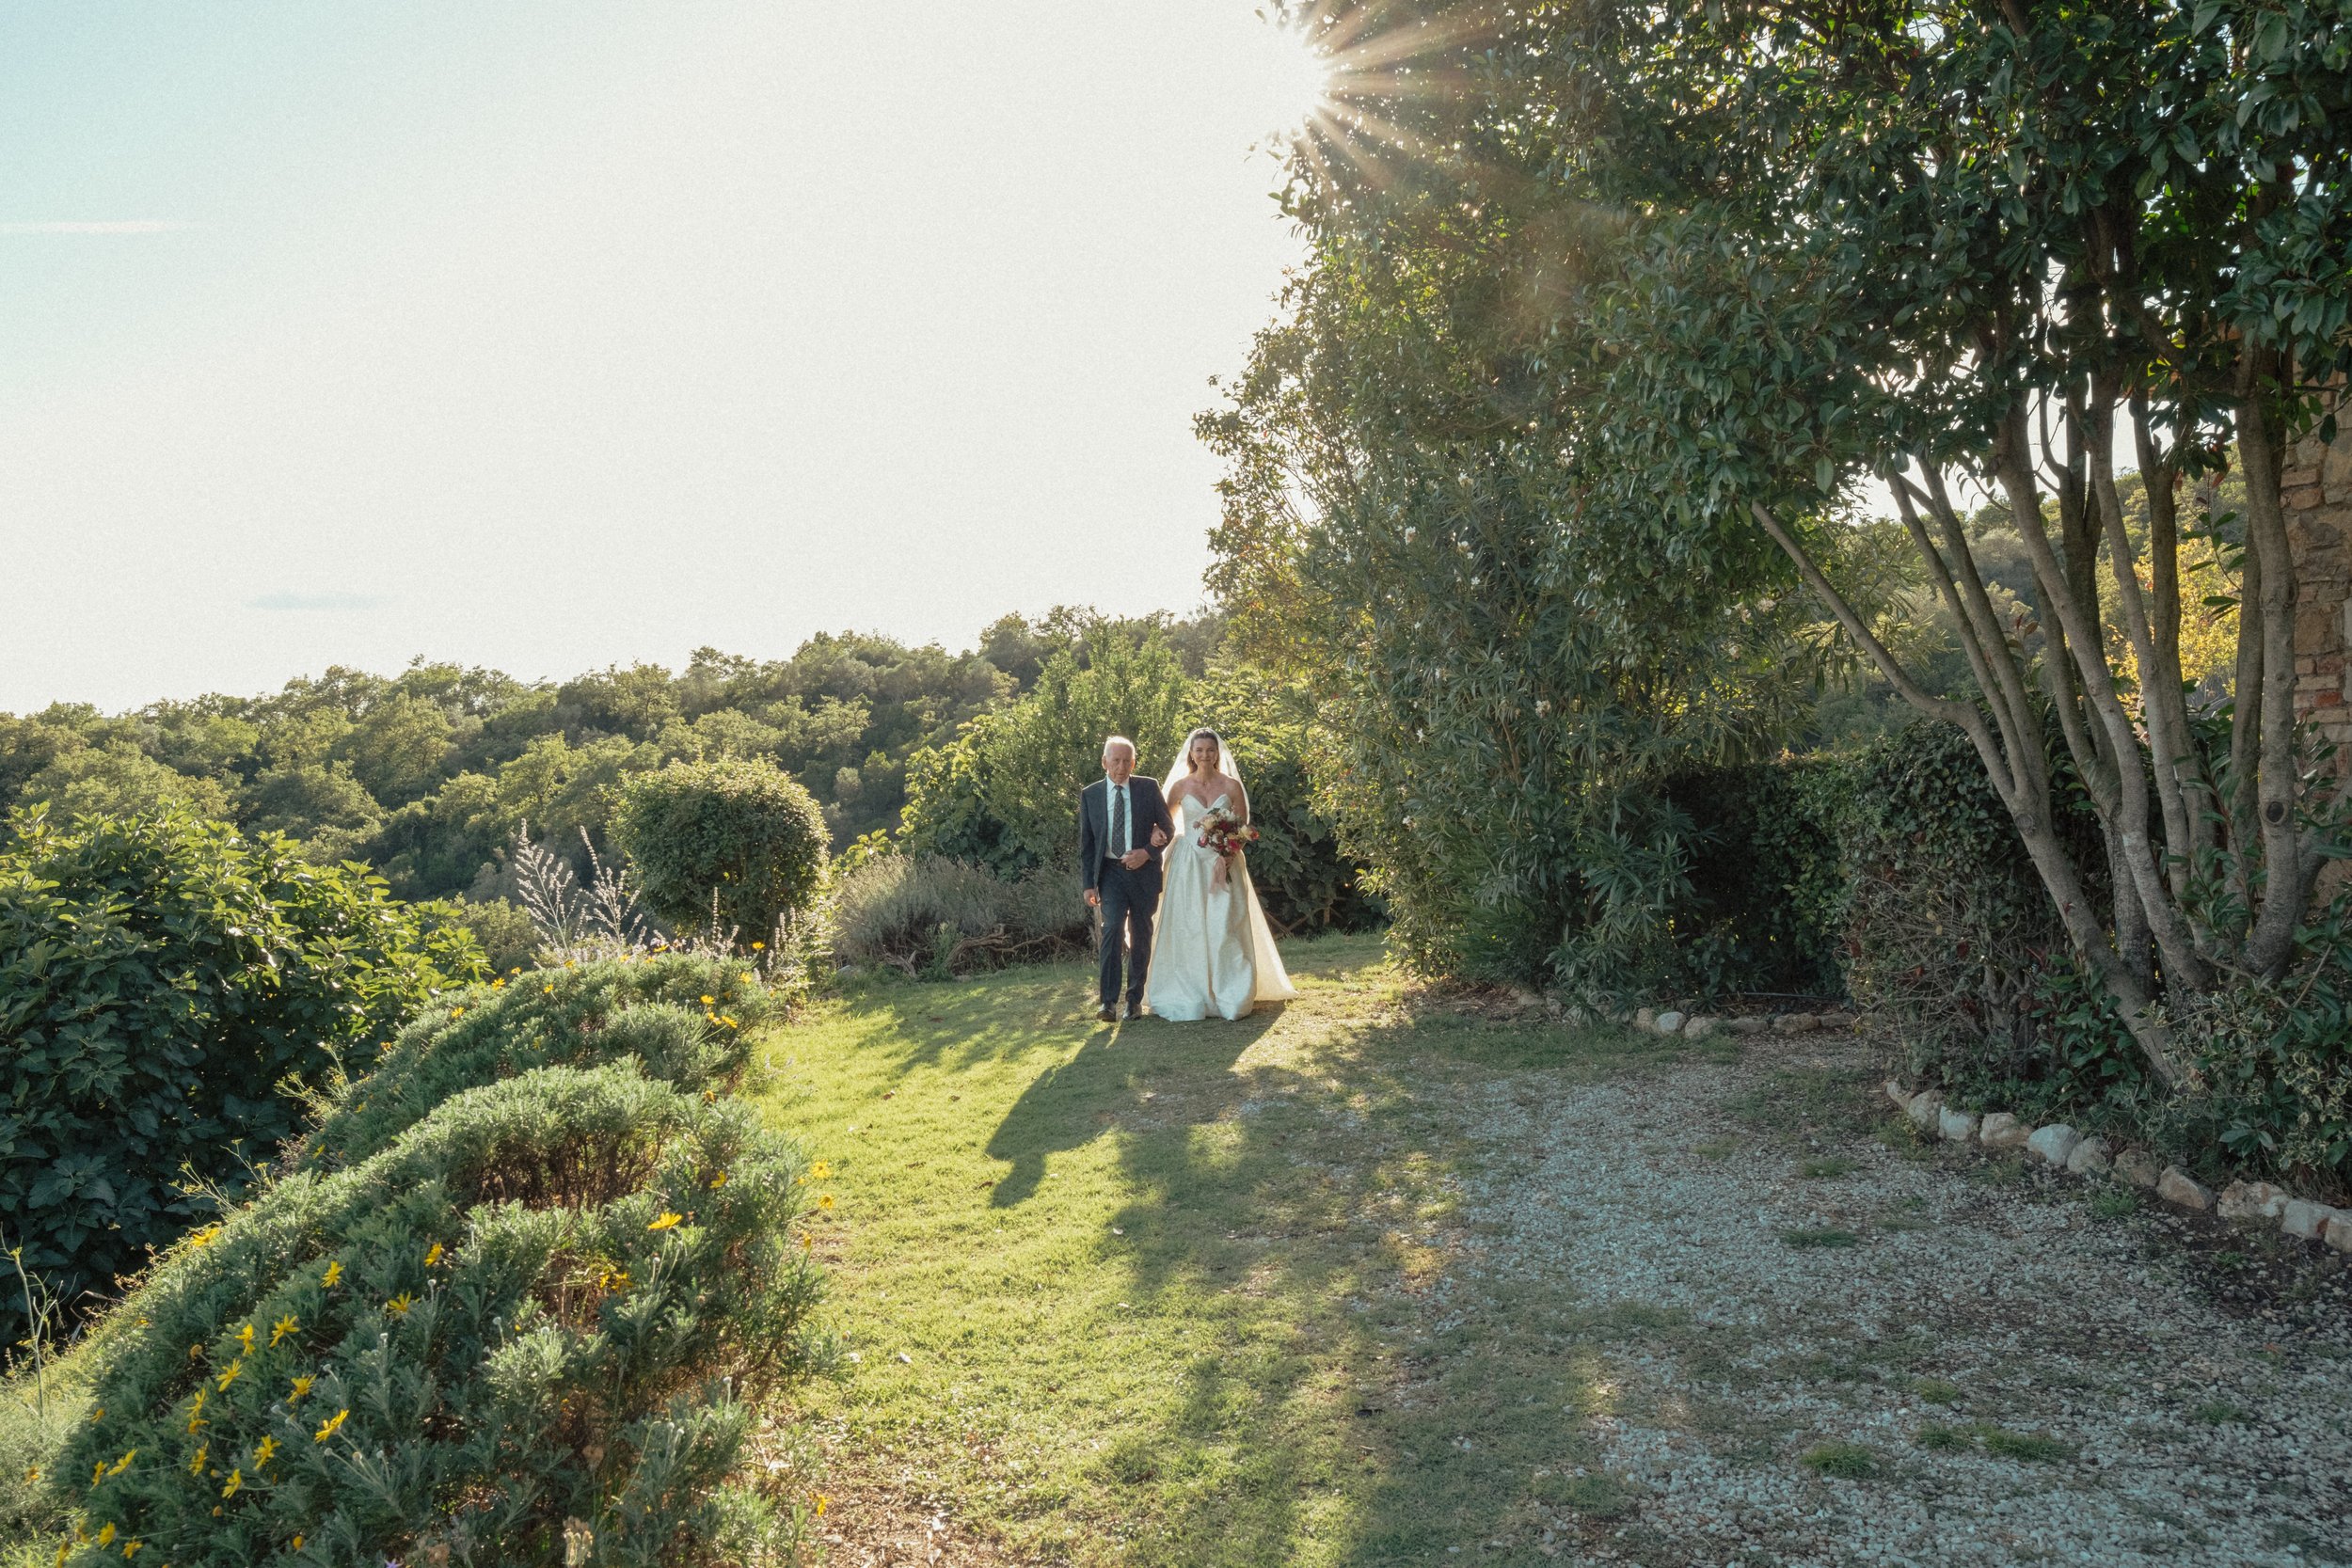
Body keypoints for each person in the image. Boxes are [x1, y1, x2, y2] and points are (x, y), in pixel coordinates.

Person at [1143, 727, 1297, 1022]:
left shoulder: (1231, 786)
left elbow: (1243, 827)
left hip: (1223, 862)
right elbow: (1163, 823)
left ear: (1218, 753)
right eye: (1199, 750)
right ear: (1191, 753)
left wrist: (1227, 854)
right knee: (1190, 927)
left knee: (1224, 925)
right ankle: (1193, 991)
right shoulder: (1179, 787)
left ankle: (1231, 992)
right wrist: (1156, 836)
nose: (1204, 755)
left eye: (1210, 750)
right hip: (1188, 864)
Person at [1079, 735, 1173, 1022]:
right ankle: (1107, 1003)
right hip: (1110, 872)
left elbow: (1168, 828)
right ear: (1104, 762)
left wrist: (1146, 852)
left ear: (1133, 762)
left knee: (1141, 932)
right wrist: (1087, 884)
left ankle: (1134, 1000)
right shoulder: (1091, 794)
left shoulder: (1148, 787)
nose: (1121, 766)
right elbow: (1088, 843)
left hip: (1143, 873)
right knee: (1112, 930)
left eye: (1126, 761)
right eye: (1115, 760)